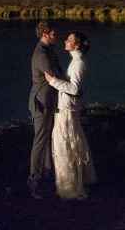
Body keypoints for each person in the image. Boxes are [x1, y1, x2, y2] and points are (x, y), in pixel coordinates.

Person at [44, 31, 97, 200]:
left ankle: (70, 189)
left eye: (70, 39)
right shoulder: (76, 61)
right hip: (66, 107)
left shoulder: (78, 63)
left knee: (65, 147)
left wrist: (52, 81)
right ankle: (68, 185)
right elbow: (75, 88)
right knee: (68, 146)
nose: (65, 41)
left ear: (77, 45)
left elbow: (73, 89)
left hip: (67, 109)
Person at [28, 20, 62, 199]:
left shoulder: (48, 50)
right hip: (41, 103)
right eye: (54, 33)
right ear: (44, 34)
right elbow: (56, 76)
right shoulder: (42, 54)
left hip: (48, 101)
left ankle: (47, 176)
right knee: (40, 142)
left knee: (48, 139)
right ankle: (34, 181)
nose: (56, 35)